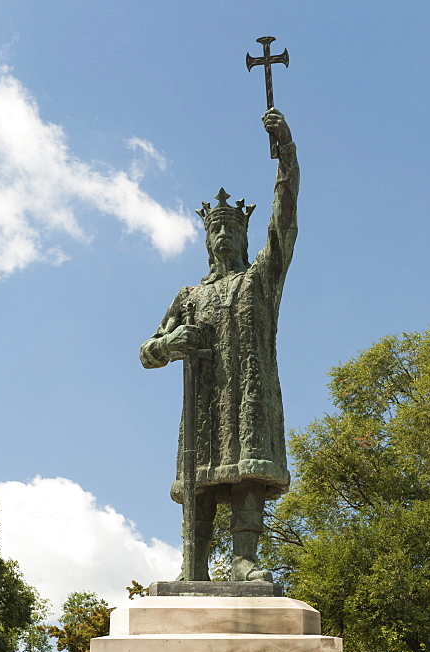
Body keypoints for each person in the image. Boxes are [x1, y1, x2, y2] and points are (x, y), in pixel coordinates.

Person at [140, 109, 299, 581]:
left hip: (248, 400)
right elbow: (146, 350)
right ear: (207, 240)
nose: (224, 234)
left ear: (245, 237)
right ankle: (194, 565)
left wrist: (286, 153)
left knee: (248, 470)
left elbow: (284, 220)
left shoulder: (260, 281)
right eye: (216, 229)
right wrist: (170, 342)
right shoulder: (189, 297)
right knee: (201, 479)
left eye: (232, 228)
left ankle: (244, 561)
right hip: (206, 407)